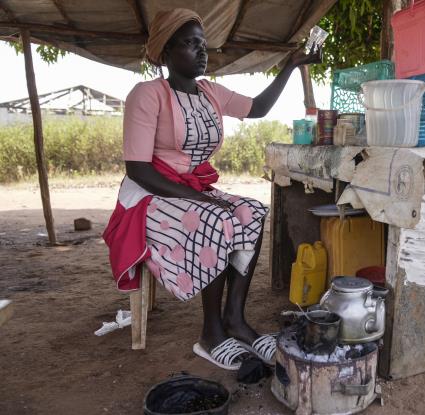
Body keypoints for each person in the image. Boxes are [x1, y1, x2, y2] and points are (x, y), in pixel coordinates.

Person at [103, 8, 319, 370]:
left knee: (251, 212)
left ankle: (235, 319)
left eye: (202, 44)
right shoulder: (147, 94)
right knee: (214, 219)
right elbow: (138, 169)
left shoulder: (210, 93)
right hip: (149, 194)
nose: (201, 51)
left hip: (191, 188)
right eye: (190, 44)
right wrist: (200, 199)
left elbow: (258, 108)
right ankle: (211, 333)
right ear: (166, 52)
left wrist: (292, 65)